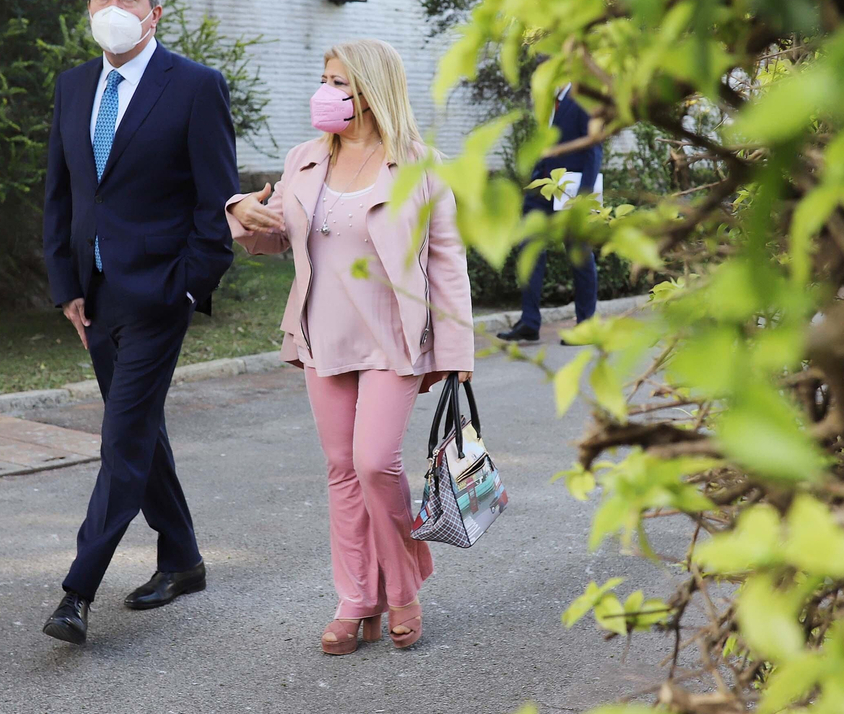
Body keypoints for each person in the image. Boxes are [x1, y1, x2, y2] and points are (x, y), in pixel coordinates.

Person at [225, 39, 474, 655]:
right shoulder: (304, 159)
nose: (326, 92)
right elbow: (277, 236)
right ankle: (356, 598)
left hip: (394, 336)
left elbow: (447, 261)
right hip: (322, 334)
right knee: (340, 468)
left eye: (340, 82)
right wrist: (242, 212)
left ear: (372, 90)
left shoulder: (421, 166)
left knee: (374, 463)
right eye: (324, 79)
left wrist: (457, 351)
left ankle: (404, 587)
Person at [40, 0, 240, 645]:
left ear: (154, 12)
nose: (112, 6)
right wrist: (66, 285)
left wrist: (186, 286)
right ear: (88, 7)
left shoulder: (195, 87)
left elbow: (217, 205)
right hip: (94, 297)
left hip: (158, 295)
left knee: (122, 438)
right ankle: (182, 559)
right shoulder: (73, 86)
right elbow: (61, 194)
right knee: (142, 431)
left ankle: (77, 591)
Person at [496, 83, 600, 344]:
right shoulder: (549, 102)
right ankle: (530, 322)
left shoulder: (582, 99)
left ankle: (586, 326)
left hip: (572, 191)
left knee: (579, 254)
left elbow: (594, 148)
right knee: (529, 246)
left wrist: (585, 196)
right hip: (543, 188)